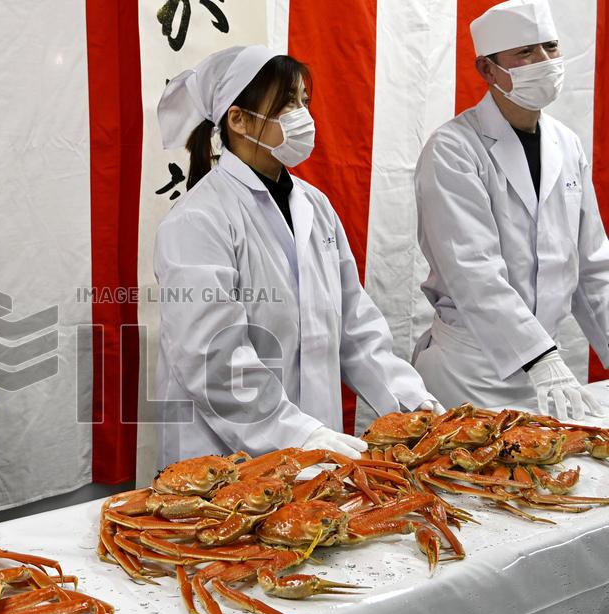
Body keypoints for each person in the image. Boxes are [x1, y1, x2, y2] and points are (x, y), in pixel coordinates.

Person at [153, 46, 441, 468]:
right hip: (225, 458)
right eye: (287, 103)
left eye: (304, 101)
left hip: (315, 445)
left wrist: (414, 404)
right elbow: (213, 358)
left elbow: (355, 325)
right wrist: (299, 433)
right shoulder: (198, 219)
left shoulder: (314, 206)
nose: (303, 115)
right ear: (238, 120)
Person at [413, 0, 609, 420]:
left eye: (550, 47)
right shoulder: (453, 149)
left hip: (550, 374)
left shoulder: (567, 144)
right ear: (487, 69)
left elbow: (593, 268)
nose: (544, 61)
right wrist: (540, 357)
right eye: (525, 52)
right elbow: (472, 271)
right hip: (471, 371)